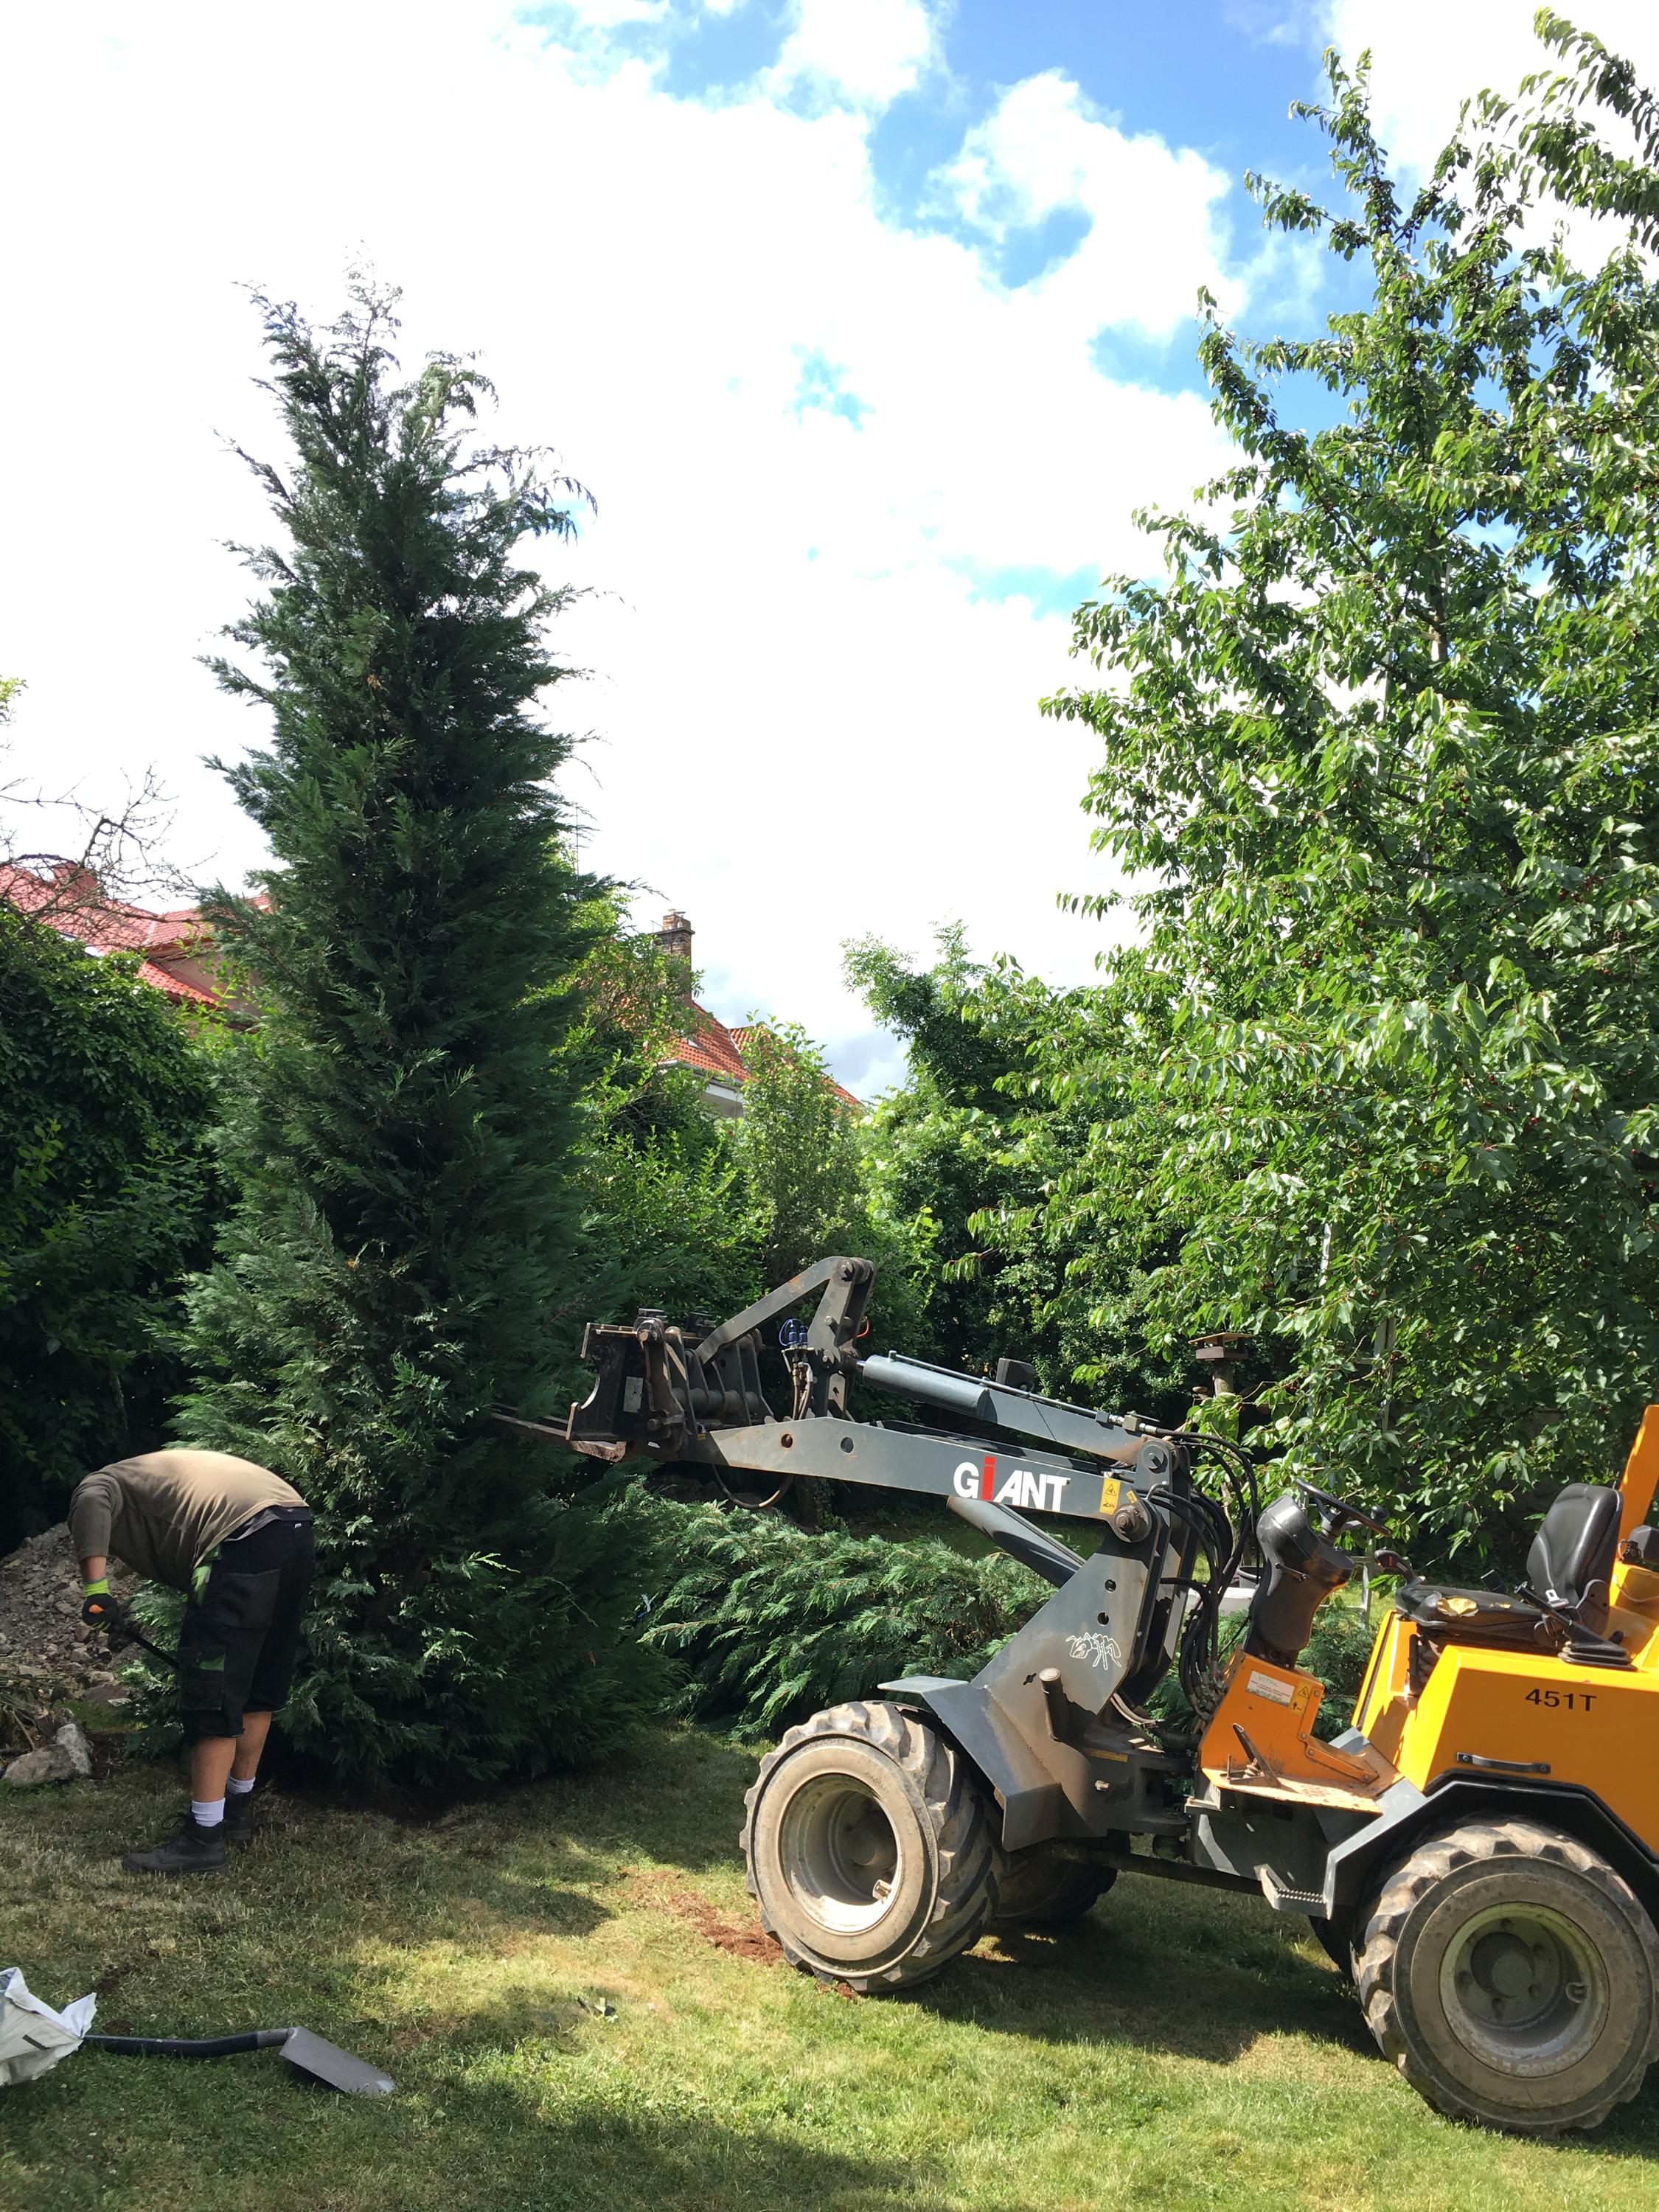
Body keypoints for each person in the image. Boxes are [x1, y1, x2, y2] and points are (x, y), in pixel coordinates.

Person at [69, 1449, 314, 1876]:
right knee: (257, 1686)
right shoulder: (160, 1483)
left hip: (241, 1539)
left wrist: (96, 1592)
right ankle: (236, 1812)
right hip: (294, 1527)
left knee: (211, 1692)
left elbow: (91, 1499)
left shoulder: (103, 1481)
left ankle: (203, 1840)